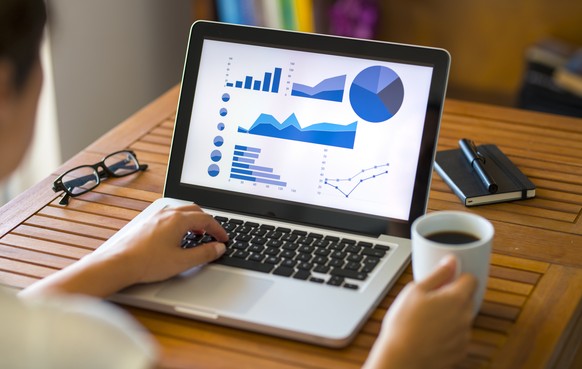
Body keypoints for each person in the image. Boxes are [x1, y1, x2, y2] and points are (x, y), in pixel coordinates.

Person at [0, 1, 477, 368]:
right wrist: (399, 357)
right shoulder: (91, 347)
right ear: (7, 85)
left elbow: (18, 323)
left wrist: (118, 260)